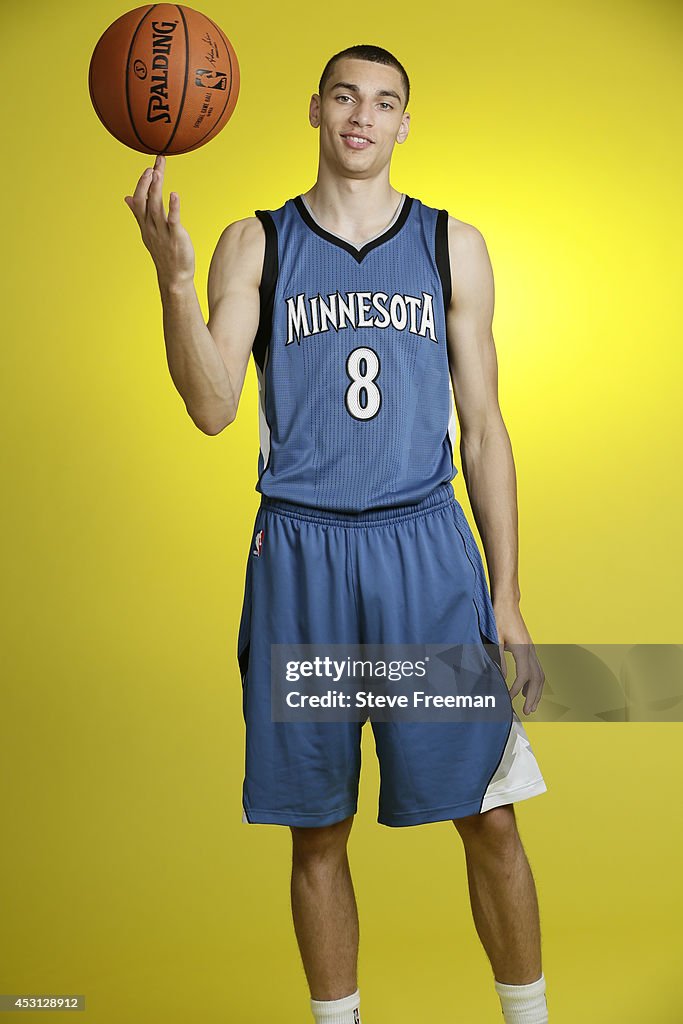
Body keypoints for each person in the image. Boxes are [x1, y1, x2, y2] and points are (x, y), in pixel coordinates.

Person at [124, 43, 550, 1024]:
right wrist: (175, 282)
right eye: (345, 97)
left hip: (423, 554)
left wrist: (508, 591)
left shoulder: (451, 244)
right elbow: (210, 405)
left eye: (385, 101)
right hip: (302, 557)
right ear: (314, 110)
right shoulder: (256, 241)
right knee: (315, 827)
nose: (363, 114)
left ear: (405, 124)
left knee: (484, 814)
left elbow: (482, 428)